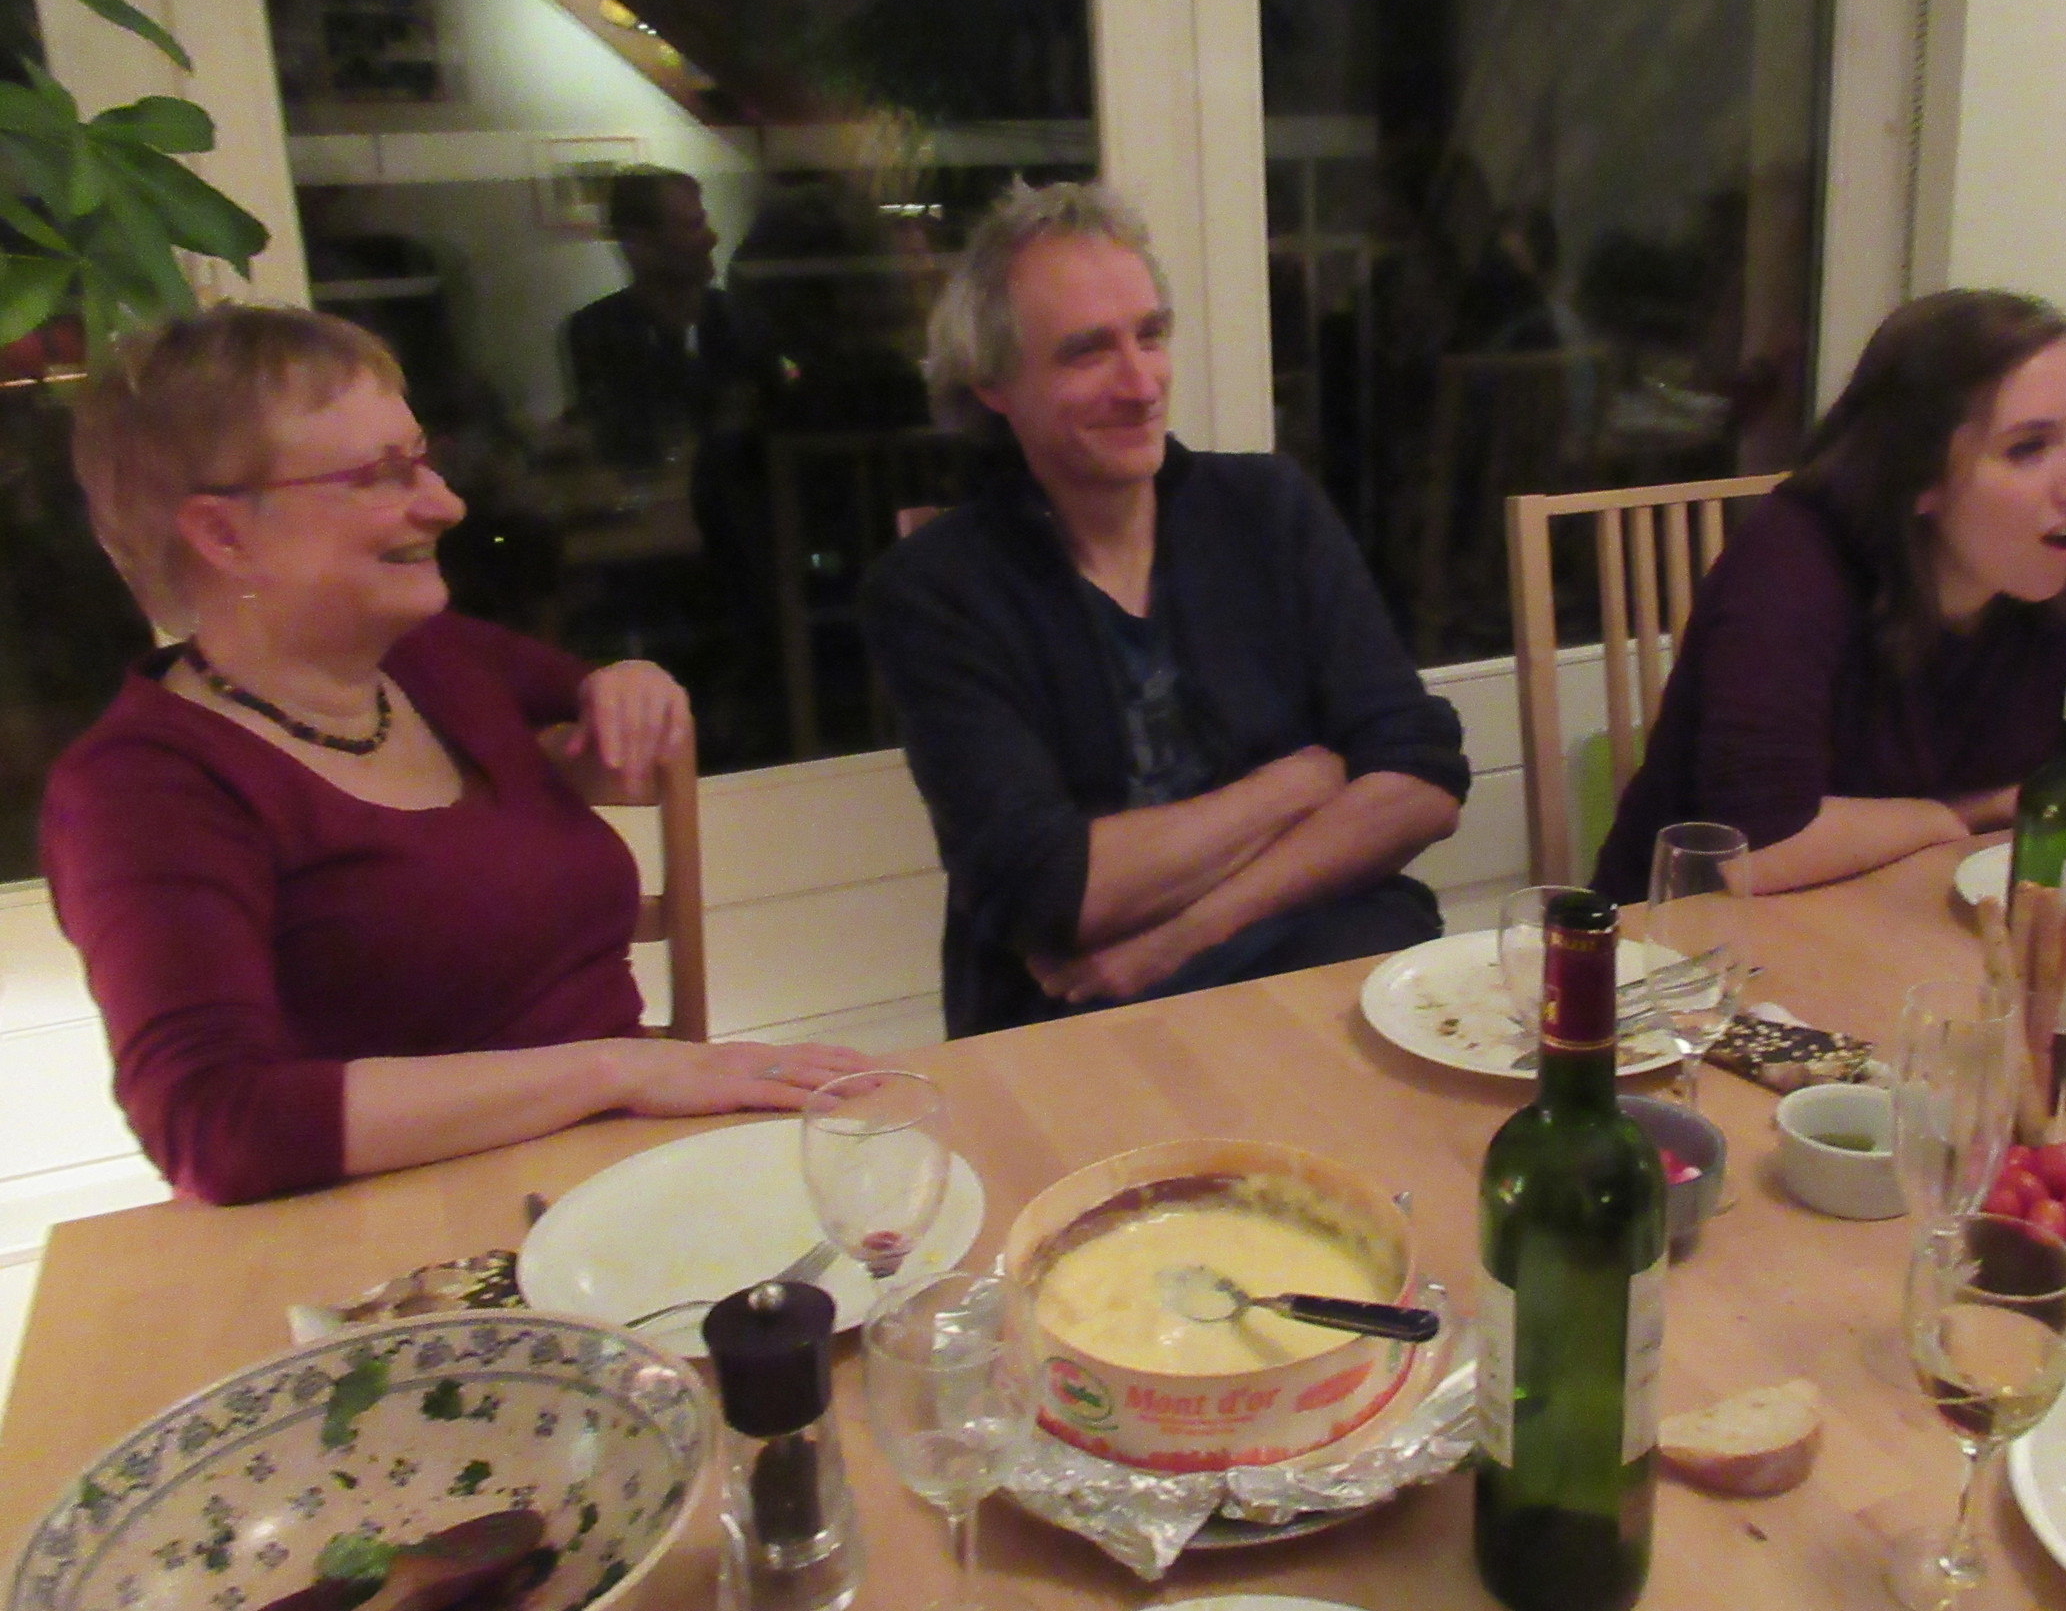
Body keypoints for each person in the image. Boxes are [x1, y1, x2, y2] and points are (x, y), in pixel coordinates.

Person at [42, 306, 863, 1205]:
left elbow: (591, 687)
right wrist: (616, 1070)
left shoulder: (432, 658)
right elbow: (215, 1125)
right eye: (380, 476)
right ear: (223, 534)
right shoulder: (144, 790)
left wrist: (631, 678)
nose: (446, 504)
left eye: (422, 459)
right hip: (406, 1231)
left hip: (624, 1176)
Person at [866, 182, 1469, 1036]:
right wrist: (1297, 784)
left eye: (1149, 336)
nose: (1141, 382)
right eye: (1087, 352)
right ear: (995, 384)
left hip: (1325, 959)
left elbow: (1423, 779)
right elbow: (1047, 890)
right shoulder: (937, 588)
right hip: (1086, 1020)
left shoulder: (1267, 510)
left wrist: (1184, 932)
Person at [1594, 290, 2066, 901]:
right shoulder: (1791, 559)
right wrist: (1951, 817)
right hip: (1682, 942)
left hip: (1899, 917)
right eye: (2028, 448)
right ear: (1917, 473)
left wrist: (1988, 809)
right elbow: (1758, 850)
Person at [562, 167, 769, 474]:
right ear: (638, 245)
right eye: (694, 226)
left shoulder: (742, 319)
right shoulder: (597, 331)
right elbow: (614, 448)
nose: (712, 238)